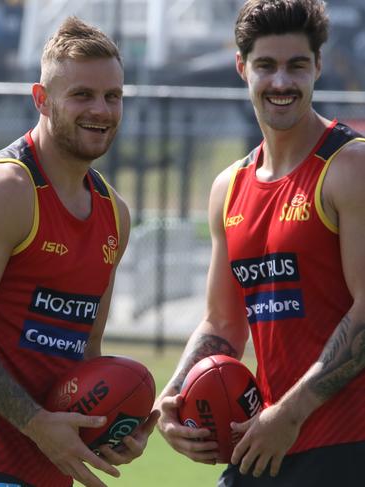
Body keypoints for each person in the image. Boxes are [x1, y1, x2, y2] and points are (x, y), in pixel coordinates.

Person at [0, 16, 157, 487]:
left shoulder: (114, 214)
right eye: (82, 95)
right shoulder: (2, 191)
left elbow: (85, 352)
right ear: (41, 100)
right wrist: (35, 423)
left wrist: (109, 426)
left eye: (113, 96)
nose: (101, 110)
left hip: (50, 460)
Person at [155, 0, 365, 485]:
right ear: (241, 66)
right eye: (266, 65)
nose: (281, 82)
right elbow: (223, 322)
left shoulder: (349, 167)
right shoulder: (228, 187)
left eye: (297, 66)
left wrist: (291, 414)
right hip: (262, 441)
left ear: (318, 66)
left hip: (347, 445)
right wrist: (175, 393)